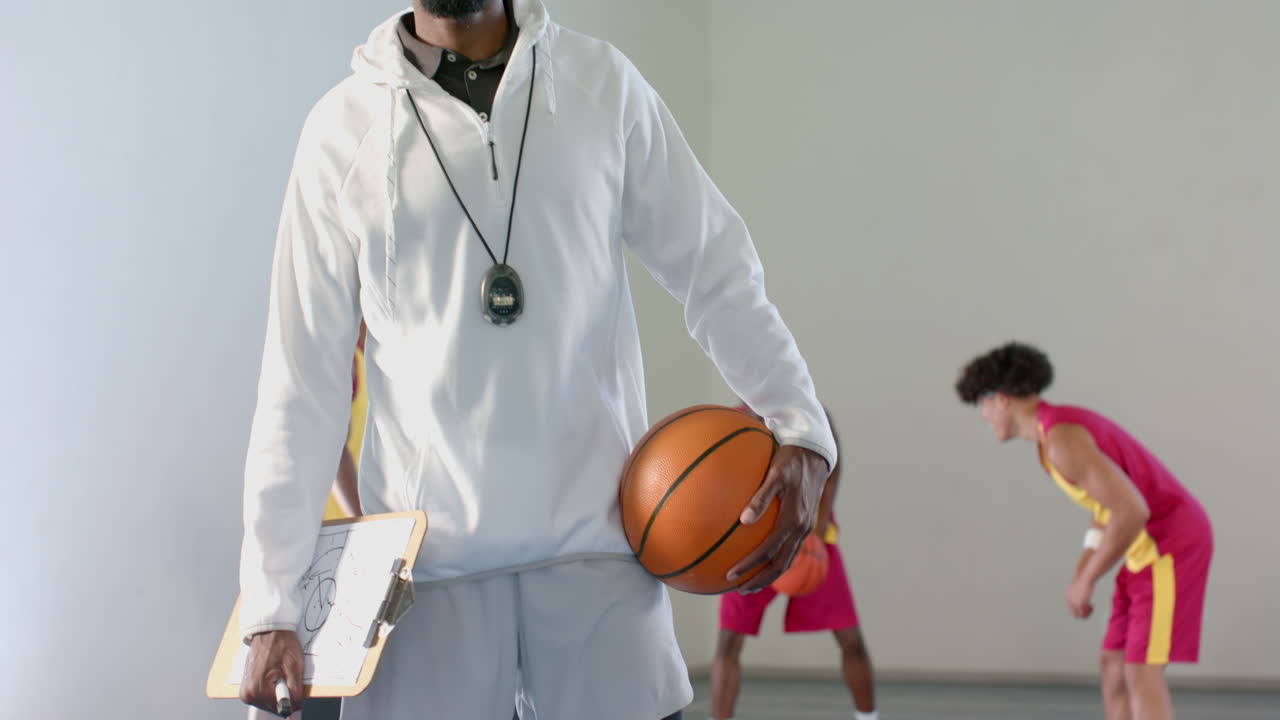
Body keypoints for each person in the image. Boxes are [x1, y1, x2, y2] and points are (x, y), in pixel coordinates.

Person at [237, 2, 838, 719]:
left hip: (601, 563)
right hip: (427, 585)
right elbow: (302, 379)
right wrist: (271, 602)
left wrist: (801, 426)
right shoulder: (341, 130)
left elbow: (715, 267)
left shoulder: (601, 85)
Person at [955, 342, 1213, 720]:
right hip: (1145, 547)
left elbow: (1131, 511)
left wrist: (1087, 580)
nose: (983, 415)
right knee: (1114, 663)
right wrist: (1082, 571)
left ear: (1003, 399)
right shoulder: (1052, 435)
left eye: (983, 403)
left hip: (1170, 545)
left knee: (1141, 671)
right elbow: (1106, 507)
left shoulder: (1062, 441)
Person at [711, 405, 878, 720]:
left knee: (850, 639)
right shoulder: (736, 419)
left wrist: (815, 529)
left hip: (805, 535)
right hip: (750, 544)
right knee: (728, 641)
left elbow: (833, 463)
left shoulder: (806, 408)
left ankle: (869, 717)